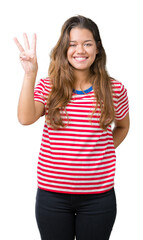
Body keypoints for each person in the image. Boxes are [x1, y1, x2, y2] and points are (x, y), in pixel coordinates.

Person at [14, 15, 129, 240]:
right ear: (64, 49)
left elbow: (123, 127)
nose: (80, 50)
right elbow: (25, 118)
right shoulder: (49, 85)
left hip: (98, 198)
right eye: (72, 44)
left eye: (87, 43)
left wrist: (99, 151)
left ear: (97, 48)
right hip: (52, 197)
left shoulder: (115, 89)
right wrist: (30, 74)